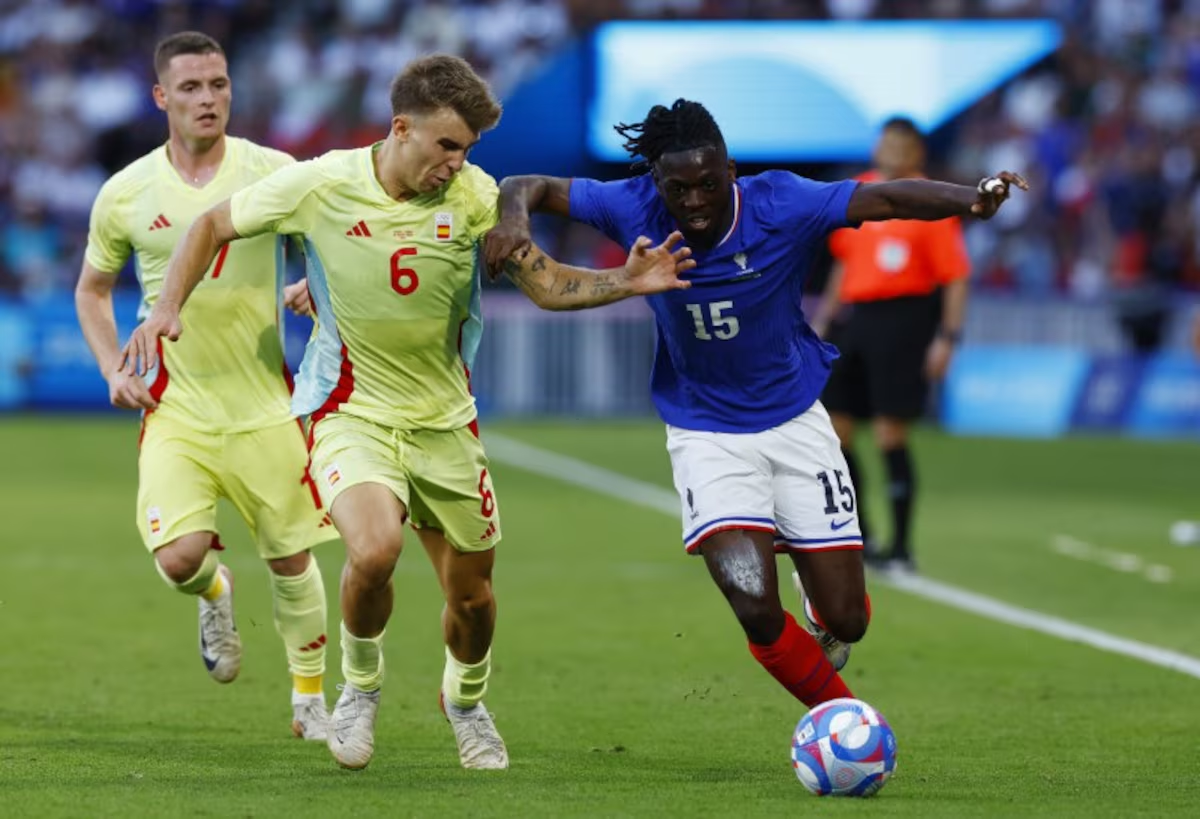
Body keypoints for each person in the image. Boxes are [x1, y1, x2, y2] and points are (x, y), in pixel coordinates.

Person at [121, 55, 695, 771]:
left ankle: (465, 700)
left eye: (467, 151)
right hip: (350, 413)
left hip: (447, 423)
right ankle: (359, 687)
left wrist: (628, 279)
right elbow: (208, 226)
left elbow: (545, 284)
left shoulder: (478, 196)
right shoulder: (322, 184)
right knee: (373, 549)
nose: (456, 164)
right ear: (401, 128)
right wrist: (168, 304)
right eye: (447, 146)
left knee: (475, 598)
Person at [486, 99, 1024, 709]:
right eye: (677, 188)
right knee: (753, 604)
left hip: (795, 419)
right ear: (653, 181)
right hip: (705, 432)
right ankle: (844, 720)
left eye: (707, 184)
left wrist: (971, 199)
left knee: (849, 620)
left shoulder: (781, 203)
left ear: (732, 171)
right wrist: (513, 222)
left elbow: (888, 200)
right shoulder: (630, 203)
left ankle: (818, 597)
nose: (692, 201)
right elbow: (523, 184)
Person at [74, 32, 335, 740]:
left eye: (218, 84)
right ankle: (214, 592)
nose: (208, 98)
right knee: (179, 557)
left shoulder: (273, 171)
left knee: (291, 556)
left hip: (264, 401)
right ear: (162, 97)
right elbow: (93, 291)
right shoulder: (126, 192)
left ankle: (310, 699)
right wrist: (112, 369)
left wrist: (314, 281)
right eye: (190, 87)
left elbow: (339, 241)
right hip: (176, 404)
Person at [808, 117, 971, 575]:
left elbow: (956, 275)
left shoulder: (929, 199)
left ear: (916, 151)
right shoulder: (861, 191)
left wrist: (948, 336)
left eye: (902, 142)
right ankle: (859, 535)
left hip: (905, 318)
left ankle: (901, 547)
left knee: (889, 432)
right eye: (887, 140)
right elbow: (845, 260)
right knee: (836, 431)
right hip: (855, 317)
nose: (892, 149)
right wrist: (824, 317)